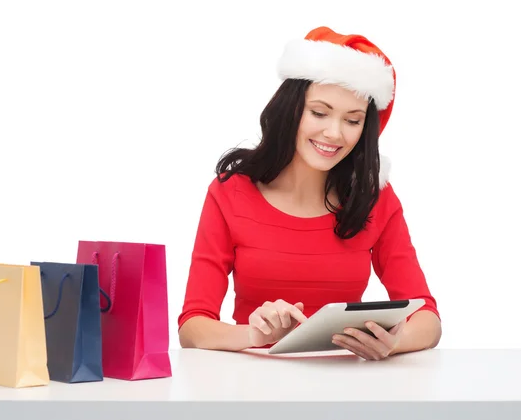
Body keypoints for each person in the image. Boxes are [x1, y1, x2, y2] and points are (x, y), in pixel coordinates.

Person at [177, 26, 441, 360]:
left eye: (353, 120)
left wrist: (393, 343)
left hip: (345, 388)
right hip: (251, 384)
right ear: (291, 110)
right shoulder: (230, 193)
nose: (334, 133)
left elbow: (428, 319)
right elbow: (193, 327)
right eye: (319, 112)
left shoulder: (376, 198)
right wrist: (255, 335)